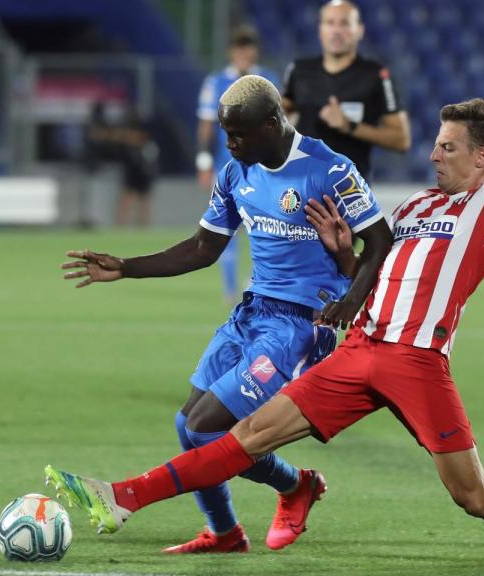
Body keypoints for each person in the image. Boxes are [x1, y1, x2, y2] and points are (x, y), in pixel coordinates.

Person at [47, 34, 484, 564]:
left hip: (417, 361)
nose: (433, 154)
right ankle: (121, 497)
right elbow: (383, 273)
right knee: (247, 436)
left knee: (473, 496)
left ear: (483, 157)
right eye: (434, 142)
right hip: (362, 347)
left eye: (448, 147)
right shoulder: (419, 206)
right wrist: (343, 257)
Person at [59, 75, 393, 553]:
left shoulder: (329, 169)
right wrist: (126, 267)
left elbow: (381, 241)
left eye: (238, 134)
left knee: (206, 427)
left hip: (298, 327)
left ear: (273, 123)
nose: (230, 143)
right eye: (225, 134)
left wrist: (350, 298)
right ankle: (226, 533)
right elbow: (203, 247)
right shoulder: (237, 172)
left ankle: (297, 485)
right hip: (253, 313)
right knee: (186, 424)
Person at [281, 0, 411, 180]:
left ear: (360, 30)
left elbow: (401, 140)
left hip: (351, 189)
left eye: (344, 23)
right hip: (301, 185)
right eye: (330, 23)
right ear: (320, 30)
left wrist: (349, 126)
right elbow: (283, 111)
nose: (336, 30)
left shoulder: (376, 75)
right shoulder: (298, 70)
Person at [198, 25, 280, 304]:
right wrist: (203, 159)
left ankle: (258, 282)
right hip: (228, 168)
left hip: (263, 167)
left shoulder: (268, 80)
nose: (244, 52)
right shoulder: (216, 81)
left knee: (270, 226)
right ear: (231, 51)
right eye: (239, 46)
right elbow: (207, 123)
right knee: (225, 227)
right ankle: (231, 290)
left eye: (248, 46)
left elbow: (283, 123)